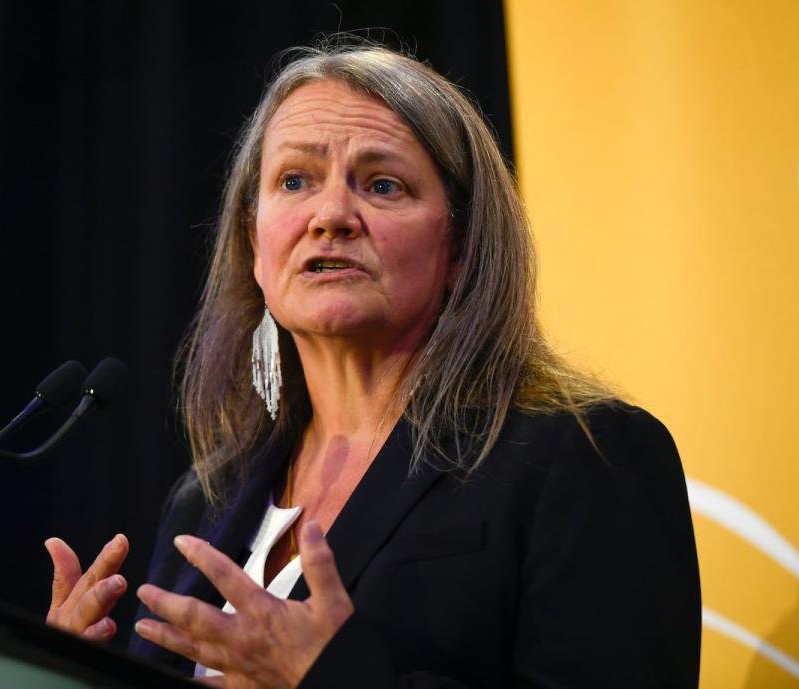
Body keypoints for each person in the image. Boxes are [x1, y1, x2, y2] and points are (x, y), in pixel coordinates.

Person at [44, 42, 701, 688]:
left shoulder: (582, 456)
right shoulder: (207, 500)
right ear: (254, 246)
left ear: (462, 249)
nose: (329, 216)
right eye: (294, 181)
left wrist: (333, 677)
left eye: (383, 184)